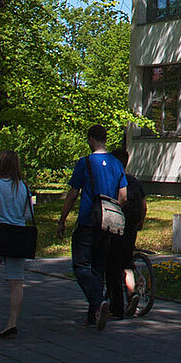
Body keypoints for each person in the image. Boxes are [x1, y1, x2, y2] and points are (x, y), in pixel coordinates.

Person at [56, 124, 127, 330]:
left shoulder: (85, 163)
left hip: (88, 220)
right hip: (108, 224)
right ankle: (93, 315)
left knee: (80, 266)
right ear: (105, 139)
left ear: (90, 139)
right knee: (98, 267)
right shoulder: (116, 163)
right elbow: (123, 196)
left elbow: (72, 195)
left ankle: (96, 302)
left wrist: (62, 220)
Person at [0, 150, 32, 339]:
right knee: (16, 281)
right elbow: (28, 215)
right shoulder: (24, 186)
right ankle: (12, 322)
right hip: (18, 236)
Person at [106, 147, 148, 318]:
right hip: (132, 227)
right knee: (126, 263)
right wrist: (140, 224)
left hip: (116, 227)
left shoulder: (113, 181)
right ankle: (132, 295)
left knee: (112, 267)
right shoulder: (135, 182)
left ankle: (115, 307)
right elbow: (144, 206)